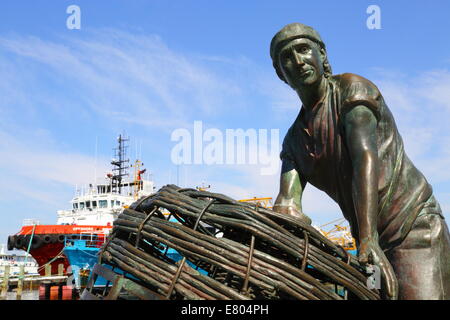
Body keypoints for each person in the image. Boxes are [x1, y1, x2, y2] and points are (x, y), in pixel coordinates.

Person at [271, 23, 450, 300]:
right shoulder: (294, 142)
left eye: (304, 49)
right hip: (367, 242)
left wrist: (368, 240)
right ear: (281, 74)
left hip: (412, 227)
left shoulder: (352, 91)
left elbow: (364, 159)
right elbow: (287, 206)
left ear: (322, 55)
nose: (297, 60)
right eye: (286, 57)